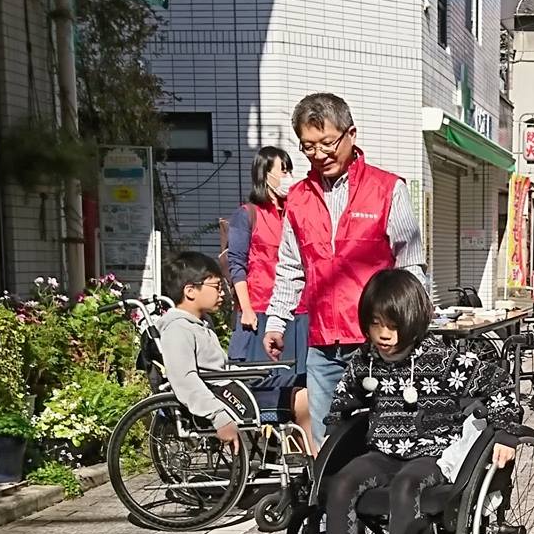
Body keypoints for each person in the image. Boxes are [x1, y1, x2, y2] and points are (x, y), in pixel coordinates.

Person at [310, 269, 522, 534]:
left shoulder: (440, 359)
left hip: (432, 452)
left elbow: (496, 383)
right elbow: (345, 398)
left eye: (393, 325)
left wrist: (505, 432)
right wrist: (336, 426)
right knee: (340, 483)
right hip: (383, 451)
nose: (384, 335)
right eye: (376, 325)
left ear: (414, 321)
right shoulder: (367, 361)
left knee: (407, 489)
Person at [264, 94, 425, 444]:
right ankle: (333, 499)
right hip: (323, 346)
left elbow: (410, 266)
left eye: (327, 143)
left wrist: (412, 328)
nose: (319, 155)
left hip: (378, 342)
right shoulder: (299, 199)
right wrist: (276, 322)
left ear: (351, 134)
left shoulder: (387, 189)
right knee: (328, 443)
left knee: (384, 438)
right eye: (308, 147)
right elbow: (291, 267)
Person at [151, 251, 307, 453]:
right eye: (216, 287)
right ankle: (319, 471)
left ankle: (308, 462)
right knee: (303, 398)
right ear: (190, 291)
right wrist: (218, 417)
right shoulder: (178, 329)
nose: (223, 292)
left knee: (306, 380)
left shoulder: (201, 323)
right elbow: (184, 380)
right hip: (224, 398)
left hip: (233, 386)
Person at [225, 146, 310, 373]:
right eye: (283, 171)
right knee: (264, 378)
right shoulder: (247, 214)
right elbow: (237, 265)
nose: (288, 177)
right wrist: (247, 309)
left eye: (290, 170)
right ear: (265, 174)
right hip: (260, 309)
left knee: (297, 379)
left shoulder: (295, 214)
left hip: (296, 308)